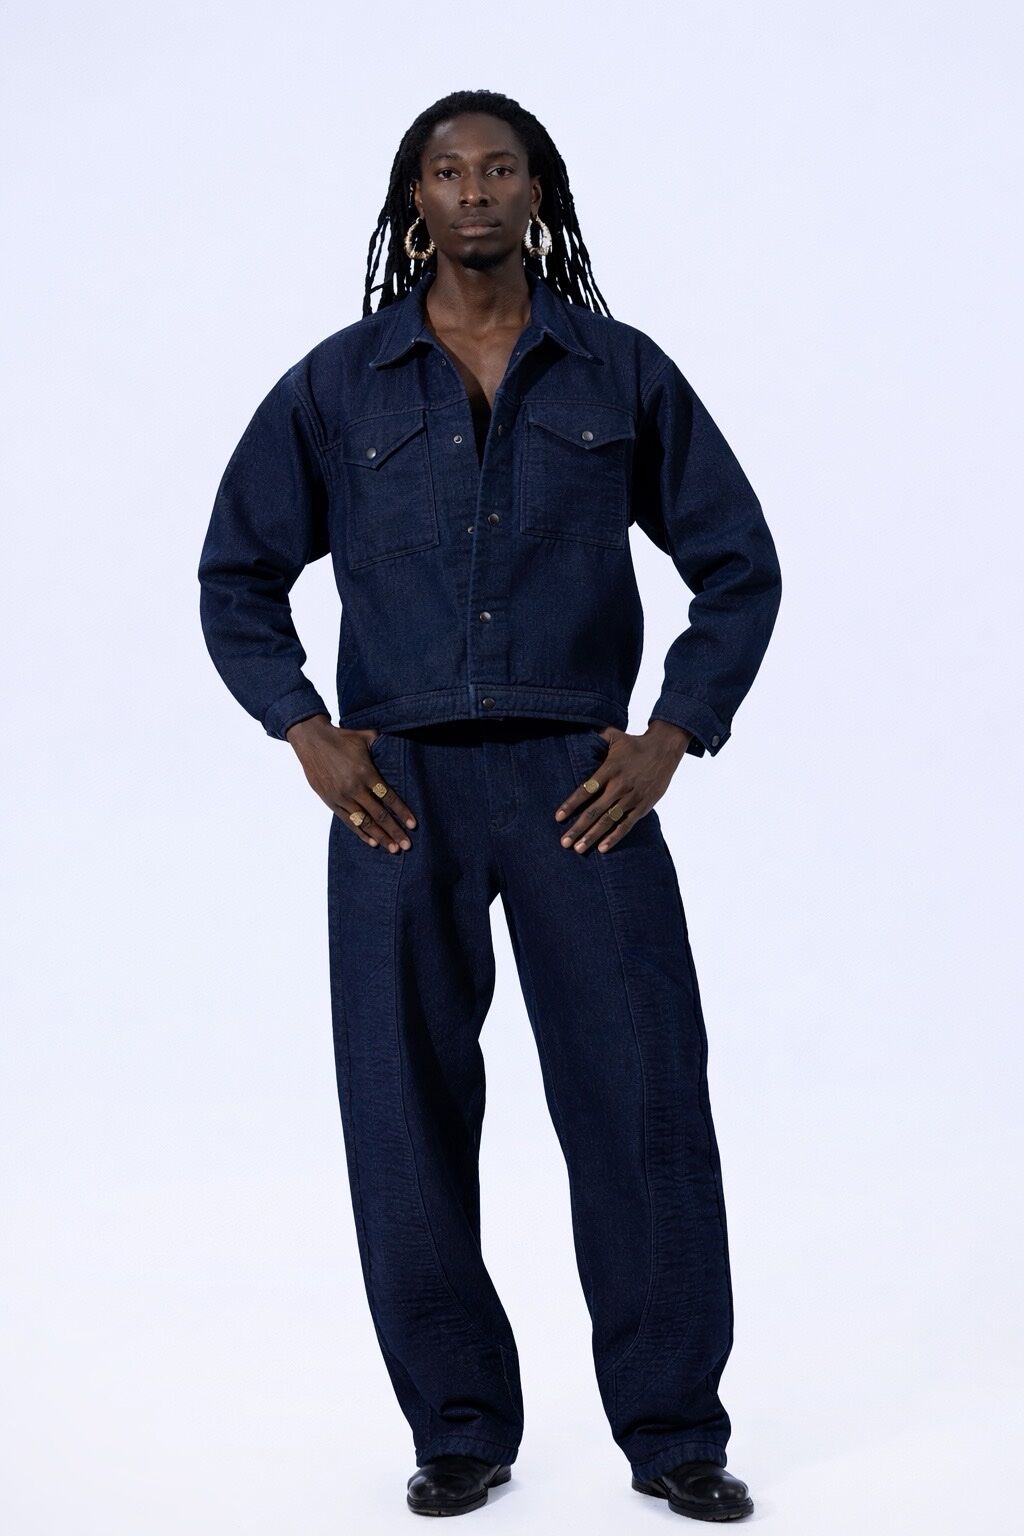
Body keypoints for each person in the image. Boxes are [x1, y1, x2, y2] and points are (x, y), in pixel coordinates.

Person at [197, 88, 782, 1523]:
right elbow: (236, 576)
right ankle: (458, 1424)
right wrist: (305, 731)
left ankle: (674, 1432)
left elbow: (738, 564)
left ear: (539, 195)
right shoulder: (338, 387)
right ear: (414, 202)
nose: (475, 190)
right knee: (404, 1110)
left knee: (642, 1098)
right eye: (448, 170)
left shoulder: (618, 373)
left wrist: (672, 735)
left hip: (584, 787)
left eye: (501, 167)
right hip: (395, 792)